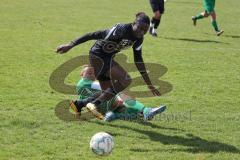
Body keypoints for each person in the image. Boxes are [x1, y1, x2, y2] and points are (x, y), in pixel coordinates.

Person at [56, 12, 160, 120]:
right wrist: (71, 44)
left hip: (106, 58)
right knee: (126, 79)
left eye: (145, 30)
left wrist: (149, 84)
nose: (141, 32)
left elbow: (139, 61)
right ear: (134, 23)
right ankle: (95, 104)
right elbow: (94, 34)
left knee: (107, 94)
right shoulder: (121, 29)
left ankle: (79, 104)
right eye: (140, 28)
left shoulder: (139, 39)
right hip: (98, 56)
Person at [70, 65, 166, 121]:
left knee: (132, 112)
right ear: (82, 74)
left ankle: (116, 115)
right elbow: (107, 88)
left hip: (104, 106)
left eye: (93, 74)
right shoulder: (83, 83)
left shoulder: (95, 83)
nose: (91, 75)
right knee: (123, 96)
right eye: (88, 73)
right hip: (97, 107)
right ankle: (146, 111)